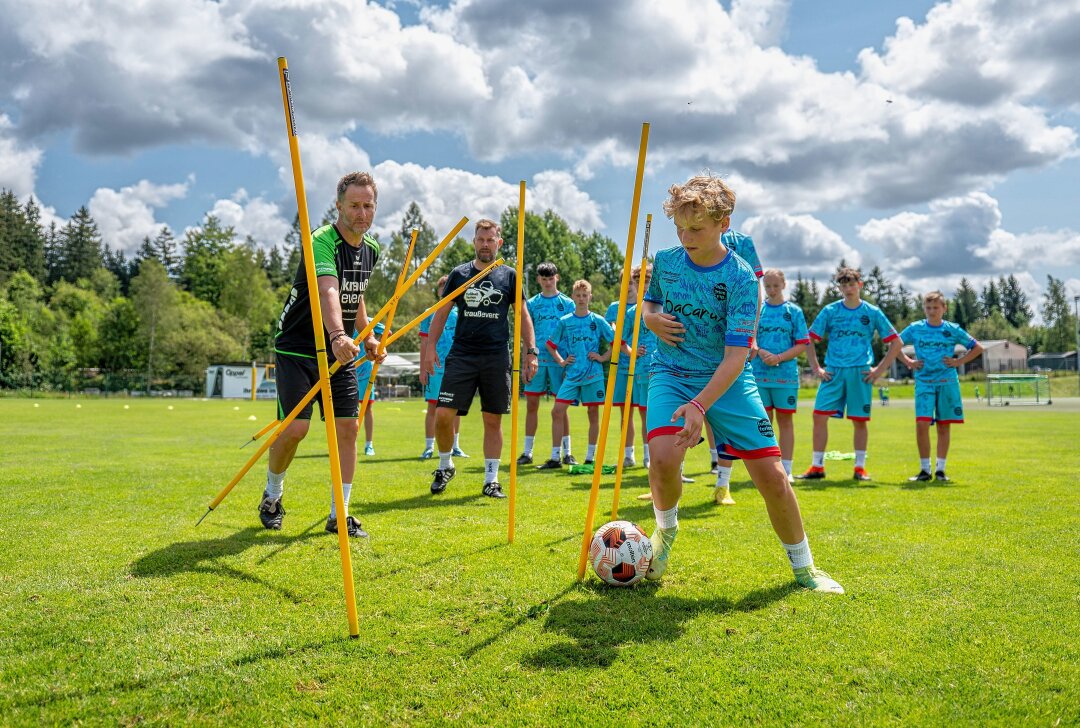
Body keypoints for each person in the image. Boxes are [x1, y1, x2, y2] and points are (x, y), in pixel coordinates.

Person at [641, 174, 843, 593]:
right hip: (671, 373)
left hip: (729, 380)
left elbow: (736, 357)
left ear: (724, 224)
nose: (685, 236)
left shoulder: (740, 278)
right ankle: (665, 534)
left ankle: (805, 569)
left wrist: (700, 406)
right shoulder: (666, 260)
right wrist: (648, 318)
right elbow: (651, 301)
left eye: (695, 228)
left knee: (771, 476)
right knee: (661, 459)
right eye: (679, 226)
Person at [259, 171, 383, 539]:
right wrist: (338, 334)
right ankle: (272, 496)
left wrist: (369, 335)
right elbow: (328, 290)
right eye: (354, 205)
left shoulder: (371, 249)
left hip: (338, 350)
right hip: (298, 347)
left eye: (368, 205)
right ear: (339, 205)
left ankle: (339, 514)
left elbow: (353, 293)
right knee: (296, 428)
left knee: (348, 427)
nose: (361, 213)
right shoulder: (321, 241)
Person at [422, 219, 538, 498]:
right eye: (480, 239)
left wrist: (531, 351)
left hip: (496, 356)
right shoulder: (459, 274)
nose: (485, 244)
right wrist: (430, 348)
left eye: (490, 240)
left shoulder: (509, 275)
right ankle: (445, 464)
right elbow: (441, 312)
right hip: (462, 355)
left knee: (492, 420)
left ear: (499, 243)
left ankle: (491, 479)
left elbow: (522, 315)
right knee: (442, 415)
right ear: (474, 242)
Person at [797, 267, 903, 482]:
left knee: (859, 420)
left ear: (860, 285)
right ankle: (817, 466)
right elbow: (809, 339)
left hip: (860, 372)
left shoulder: (872, 312)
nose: (848, 289)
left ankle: (860, 468)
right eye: (843, 285)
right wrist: (816, 368)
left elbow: (896, 342)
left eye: (851, 284)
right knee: (818, 415)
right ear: (839, 288)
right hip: (833, 371)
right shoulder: (830, 311)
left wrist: (879, 370)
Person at [735, 268, 810, 498]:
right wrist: (757, 348)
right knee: (764, 424)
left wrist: (779, 357)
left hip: (785, 376)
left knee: (786, 422)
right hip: (759, 376)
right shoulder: (759, 311)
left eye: (776, 286)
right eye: (767, 286)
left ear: (784, 285)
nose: (772, 290)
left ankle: (786, 469)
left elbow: (802, 343)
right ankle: (767, 471)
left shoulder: (793, 312)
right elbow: (750, 338)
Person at [898, 291, 984, 482]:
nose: (932, 311)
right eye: (928, 308)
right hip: (924, 383)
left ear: (944, 309)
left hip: (947, 382)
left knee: (943, 427)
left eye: (936, 307)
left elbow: (978, 347)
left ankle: (940, 470)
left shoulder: (952, 329)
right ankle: (924, 470)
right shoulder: (915, 328)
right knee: (921, 425)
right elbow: (894, 343)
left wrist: (958, 361)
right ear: (924, 309)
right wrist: (908, 361)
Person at [542, 280, 616, 468]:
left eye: (585, 295)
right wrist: (561, 361)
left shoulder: (598, 320)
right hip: (572, 375)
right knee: (557, 411)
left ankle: (590, 458)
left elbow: (615, 343)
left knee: (593, 412)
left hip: (593, 375)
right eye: (578, 295)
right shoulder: (565, 321)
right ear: (573, 297)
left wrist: (602, 357)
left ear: (590, 297)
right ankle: (555, 457)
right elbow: (551, 345)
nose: (582, 299)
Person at [519, 263, 575, 466]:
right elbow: (526, 334)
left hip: (560, 363)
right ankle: (527, 452)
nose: (548, 282)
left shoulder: (568, 304)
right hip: (537, 362)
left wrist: (570, 363)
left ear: (557, 278)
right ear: (538, 280)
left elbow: (572, 334)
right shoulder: (532, 304)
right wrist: (526, 359)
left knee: (561, 408)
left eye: (551, 278)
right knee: (531, 405)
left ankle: (567, 453)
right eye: (544, 279)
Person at [418, 276, 467, 460]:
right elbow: (424, 341)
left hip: (455, 368)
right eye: (442, 288)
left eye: (448, 288)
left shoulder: (460, 313)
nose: (444, 291)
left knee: (455, 408)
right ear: (438, 291)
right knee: (433, 407)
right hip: (434, 369)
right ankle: (429, 447)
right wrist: (423, 368)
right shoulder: (429, 313)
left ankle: (455, 446)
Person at [354, 321, 386, 456]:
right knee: (348, 410)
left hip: (366, 372)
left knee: (367, 408)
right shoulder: (341, 318)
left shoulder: (367, 320)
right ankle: (347, 444)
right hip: (347, 372)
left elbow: (385, 331)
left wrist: (377, 346)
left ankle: (369, 444)